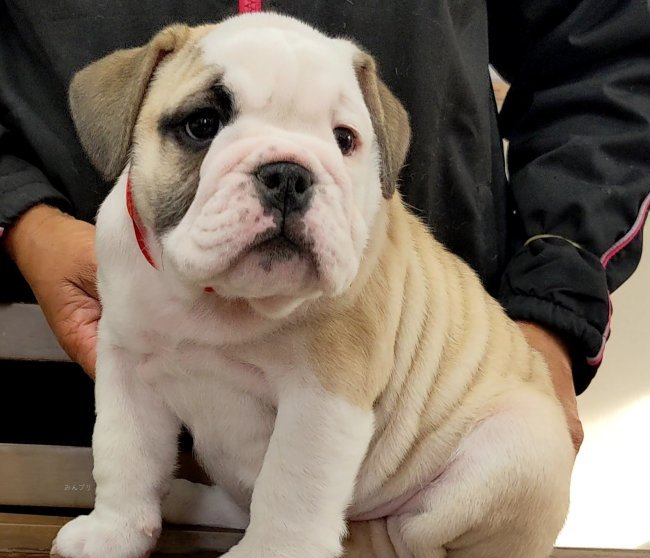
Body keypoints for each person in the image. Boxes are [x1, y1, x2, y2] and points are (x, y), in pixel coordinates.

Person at [2, 1, 649, 453]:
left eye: (343, 138)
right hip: (67, 404)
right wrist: (20, 215)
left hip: (408, 418)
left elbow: (602, 51)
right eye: (203, 126)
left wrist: (552, 306)